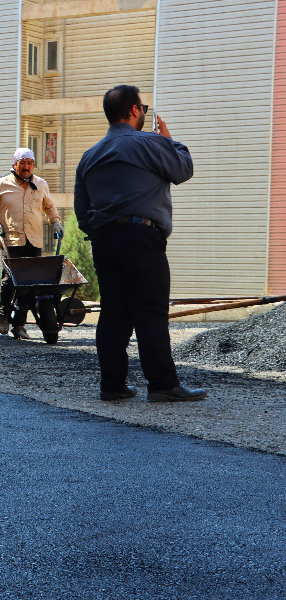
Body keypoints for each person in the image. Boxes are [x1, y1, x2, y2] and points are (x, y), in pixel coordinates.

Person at [74, 84, 206, 402]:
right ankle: (163, 385)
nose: (144, 113)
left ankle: (113, 385)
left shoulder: (89, 156)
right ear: (134, 110)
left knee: (114, 313)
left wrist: (101, 231)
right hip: (142, 237)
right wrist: (169, 141)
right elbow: (184, 169)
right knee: (150, 311)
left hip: (105, 241)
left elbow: (82, 210)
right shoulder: (150, 143)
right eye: (144, 108)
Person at [0, 148, 63, 340]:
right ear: (15, 164)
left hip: (33, 239)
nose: (26, 167)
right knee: (10, 280)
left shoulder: (40, 184)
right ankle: (3, 314)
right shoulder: (1, 184)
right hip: (10, 240)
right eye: (22, 163)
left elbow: (49, 206)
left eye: (29, 163)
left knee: (30, 285)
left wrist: (56, 222)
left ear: (33, 165)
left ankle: (19, 325)